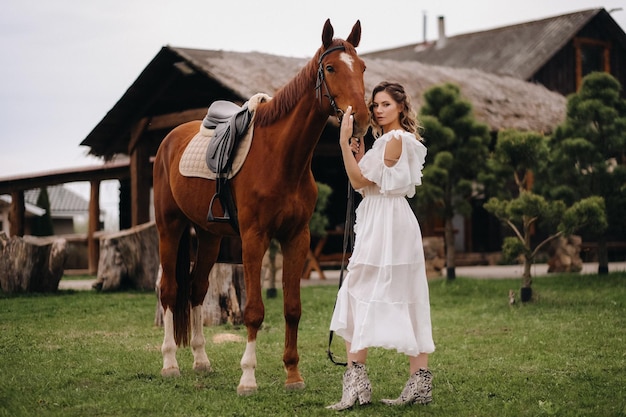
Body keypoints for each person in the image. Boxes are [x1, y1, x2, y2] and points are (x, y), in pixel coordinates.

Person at [327, 81, 435, 410]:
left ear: (401, 107)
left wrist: (345, 146)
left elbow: (359, 181)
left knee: (360, 292)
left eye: (385, 104)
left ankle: (359, 381)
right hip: (382, 219)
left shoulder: (395, 140)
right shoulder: (386, 142)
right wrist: (360, 156)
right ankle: (417, 382)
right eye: (375, 105)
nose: (378, 110)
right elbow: (367, 187)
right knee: (396, 294)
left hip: (389, 225)